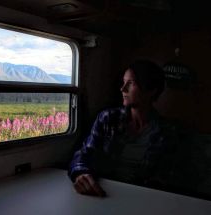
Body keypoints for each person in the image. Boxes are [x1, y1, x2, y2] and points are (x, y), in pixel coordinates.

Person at [68, 60, 180, 197]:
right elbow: (85, 152)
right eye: (123, 82)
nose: (123, 89)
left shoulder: (166, 132)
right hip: (103, 191)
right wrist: (81, 173)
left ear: (151, 90)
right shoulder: (108, 118)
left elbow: (164, 178)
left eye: (130, 83)